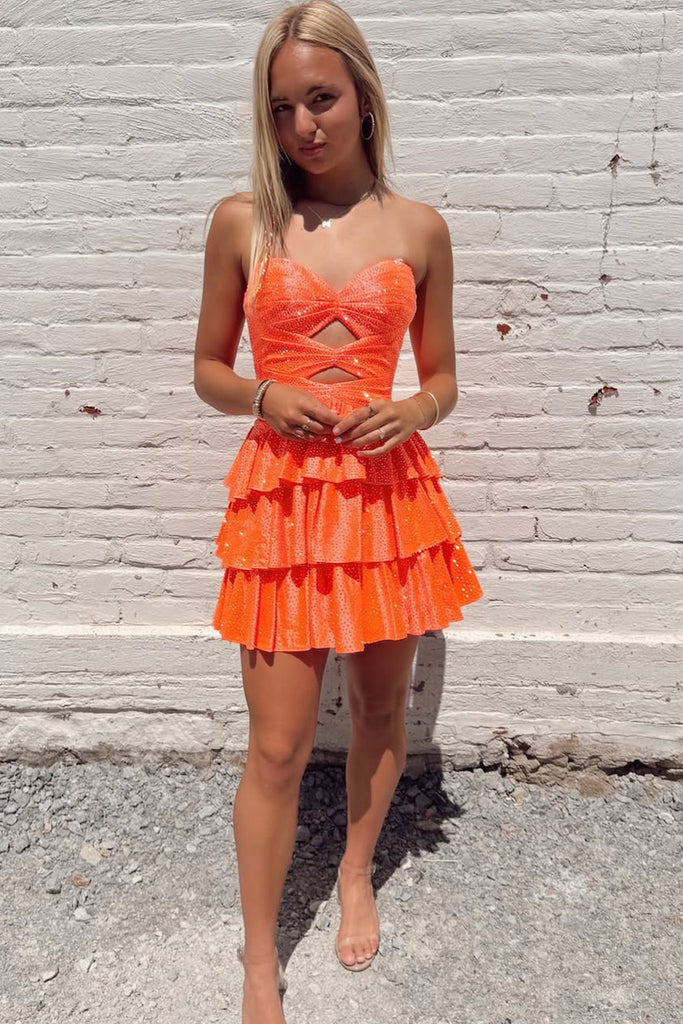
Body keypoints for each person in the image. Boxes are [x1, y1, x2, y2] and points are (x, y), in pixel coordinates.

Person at [193, 2, 484, 1021]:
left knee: (376, 710)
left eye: (319, 98)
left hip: (385, 497)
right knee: (275, 746)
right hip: (281, 499)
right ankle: (259, 956)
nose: (302, 125)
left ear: (362, 94)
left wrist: (414, 408)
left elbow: (442, 376)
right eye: (281, 108)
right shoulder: (243, 220)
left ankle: (356, 870)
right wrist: (262, 393)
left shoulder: (418, 228)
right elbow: (206, 368)